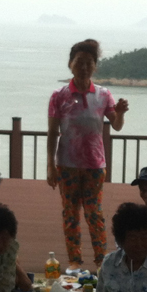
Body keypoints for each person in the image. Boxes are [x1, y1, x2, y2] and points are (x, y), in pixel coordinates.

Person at [46, 39, 129, 267]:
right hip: (67, 164)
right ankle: (75, 261)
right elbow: (52, 132)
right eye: (79, 62)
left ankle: (102, 261)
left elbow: (116, 125)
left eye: (89, 62)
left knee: (94, 213)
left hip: (95, 165)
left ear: (95, 66)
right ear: (70, 64)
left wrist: (120, 113)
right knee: (70, 214)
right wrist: (50, 165)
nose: (84, 67)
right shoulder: (59, 95)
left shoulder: (103, 94)